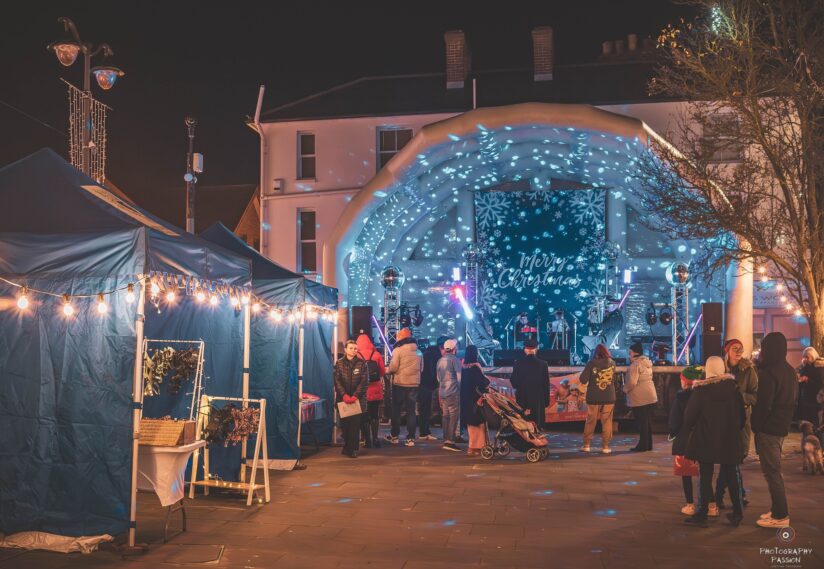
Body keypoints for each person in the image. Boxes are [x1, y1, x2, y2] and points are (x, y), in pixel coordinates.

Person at [681, 356, 745, 528]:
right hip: (729, 438)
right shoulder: (734, 389)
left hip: (705, 437)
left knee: (705, 475)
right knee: (732, 474)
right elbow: (742, 417)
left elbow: (689, 418)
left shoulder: (701, 391)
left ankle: (703, 513)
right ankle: (738, 513)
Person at [751, 332, 798, 529]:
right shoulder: (788, 370)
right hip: (781, 425)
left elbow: (764, 405)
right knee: (773, 471)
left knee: (772, 472)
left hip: (769, 428)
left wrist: (756, 425)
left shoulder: (770, 374)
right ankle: (777, 509)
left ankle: (780, 515)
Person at [715, 338, 758, 509]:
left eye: (741, 348)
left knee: (734, 458)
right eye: (735, 348)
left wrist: (739, 395)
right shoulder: (720, 369)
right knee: (728, 459)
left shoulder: (748, 370)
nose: (739, 351)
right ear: (727, 350)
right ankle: (737, 495)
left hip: (741, 420)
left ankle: (719, 496)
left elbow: (755, 396)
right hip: (723, 420)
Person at [669, 365, 703, 516]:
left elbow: (674, 422)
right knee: (705, 474)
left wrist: (673, 433)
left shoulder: (681, 398)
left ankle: (690, 504)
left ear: (685, 381)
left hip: (685, 439)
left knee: (686, 473)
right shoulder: (705, 395)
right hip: (703, 437)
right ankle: (711, 503)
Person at [385, 327, 422, 447]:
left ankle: (395, 436)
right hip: (414, 385)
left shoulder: (398, 350)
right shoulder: (419, 351)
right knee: (411, 411)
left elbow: (394, 367)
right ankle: (411, 438)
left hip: (400, 384)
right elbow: (422, 369)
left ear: (401, 339)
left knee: (396, 411)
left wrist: (388, 370)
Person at [579, 344, 617, 453]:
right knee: (607, 422)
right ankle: (605, 446)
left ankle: (586, 445)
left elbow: (583, 379)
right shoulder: (612, 363)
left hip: (594, 396)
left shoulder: (591, 363)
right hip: (609, 396)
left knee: (591, 421)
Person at [333, 339, 368, 458]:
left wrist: (355, 396)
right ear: (345, 350)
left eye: (355, 348)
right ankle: (347, 447)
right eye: (351, 348)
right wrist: (344, 395)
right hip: (343, 400)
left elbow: (364, 382)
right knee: (345, 426)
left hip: (357, 400)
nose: (353, 350)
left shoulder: (362, 363)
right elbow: (336, 381)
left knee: (355, 425)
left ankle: (353, 449)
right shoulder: (339, 363)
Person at [509, 338, 550, 431]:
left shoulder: (518, 363)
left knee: (523, 422)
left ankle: (524, 439)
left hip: (522, 396)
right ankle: (538, 438)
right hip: (538, 398)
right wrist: (546, 401)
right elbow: (546, 384)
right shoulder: (543, 364)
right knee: (537, 423)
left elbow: (514, 382)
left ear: (525, 350)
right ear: (536, 349)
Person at [625, 342, 658, 452]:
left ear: (635, 353)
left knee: (642, 423)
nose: (629, 354)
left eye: (630, 352)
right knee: (647, 422)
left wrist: (624, 389)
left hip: (640, 398)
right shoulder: (647, 363)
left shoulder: (635, 365)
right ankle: (648, 444)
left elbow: (632, 382)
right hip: (650, 395)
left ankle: (642, 445)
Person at [460, 345, 491, 456]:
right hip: (476, 399)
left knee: (470, 424)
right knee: (479, 423)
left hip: (465, 399)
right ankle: (478, 447)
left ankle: (471, 447)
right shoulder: (475, 367)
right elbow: (483, 382)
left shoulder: (463, 367)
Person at [356, 333, 384, 449]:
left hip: (362, 390)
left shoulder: (357, 355)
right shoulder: (376, 354)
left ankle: (366, 439)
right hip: (376, 389)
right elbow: (382, 372)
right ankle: (376, 438)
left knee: (364, 416)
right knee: (374, 415)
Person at [437, 339, 462, 452]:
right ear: (454, 349)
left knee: (445, 416)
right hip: (452, 392)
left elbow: (438, 378)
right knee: (453, 416)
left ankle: (446, 439)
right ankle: (450, 441)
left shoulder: (440, 360)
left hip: (443, 391)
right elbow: (459, 378)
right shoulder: (455, 360)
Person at [419, 337, 445, 441]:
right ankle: (424, 433)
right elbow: (432, 371)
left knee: (424, 409)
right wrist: (435, 383)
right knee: (425, 409)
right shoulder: (434, 355)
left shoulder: (427, 353)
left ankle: (425, 432)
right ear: (441, 347)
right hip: (426, 384)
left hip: (422, 383)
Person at [797, 347, 824, 429]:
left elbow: (820, 382)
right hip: (806, 397)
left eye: (807, 357)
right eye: (804, 356)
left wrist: (808, 379)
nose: (805, 359)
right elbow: (801, 374)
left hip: (815, 398)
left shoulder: (818, 367)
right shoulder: (805, 366)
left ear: (812, 356)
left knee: (814, 420)